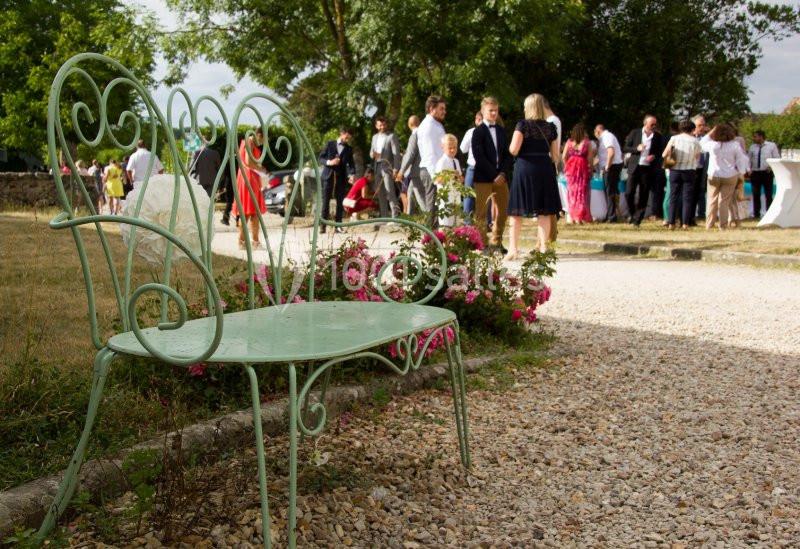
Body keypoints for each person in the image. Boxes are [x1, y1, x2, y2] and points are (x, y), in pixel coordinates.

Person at [507, 93, 560, 258]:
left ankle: (513, 249)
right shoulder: (551, 128)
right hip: (544, 169)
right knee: (544, 210)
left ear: (529, 108)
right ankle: (543, 247)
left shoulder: (522, 125)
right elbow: (556, 156)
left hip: (525, 168)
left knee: (516, 210)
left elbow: (513, 149)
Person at [472, 97, 511, 252]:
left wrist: (502, 173)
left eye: (496, 110)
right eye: (491, 110)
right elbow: (479, 156)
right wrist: (494, 174)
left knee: (504, 210)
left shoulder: (501, 131)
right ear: (483, 111)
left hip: (501, 178)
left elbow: (508, 155)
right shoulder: (478, 132)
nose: (494, 113)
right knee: (481, 212)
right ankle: (482, 244)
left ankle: (496, 241)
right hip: (483, 178)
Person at [701, 123, 749, 230]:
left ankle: (709, 224)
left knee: (711, 200)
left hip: (714, 175)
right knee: (724, 201)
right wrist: (741, 172)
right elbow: (741, 160)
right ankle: (723, 225)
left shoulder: (712, 145)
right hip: (730, 175)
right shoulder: (735, 145)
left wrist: (711, 131)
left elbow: (701, 143)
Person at [623, 115, 666, 227]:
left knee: (644, 194)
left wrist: (654, 156)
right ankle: (632, 214)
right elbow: (625, 148)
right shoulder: (635, 133)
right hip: (634, 166)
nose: (654, 126)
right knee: (629, 193)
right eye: (652, 124)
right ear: (645, 123)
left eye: (655, 124)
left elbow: (660, 152)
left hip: (647, 168)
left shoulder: (657, 136)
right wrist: (636, 149)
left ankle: (638, 219)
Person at [232, 127, 268, 249]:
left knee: (251, 212)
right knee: (249, 212)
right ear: (259, 135)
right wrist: (261, 169)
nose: (263, 142)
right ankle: (246, 242)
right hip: (249, 178)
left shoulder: (246, 142)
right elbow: (248, 162)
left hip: (247, 178)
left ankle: (251, 242)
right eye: (263, 139)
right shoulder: (250, 142)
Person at [662, 119, 701, 229]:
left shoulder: (674, 138)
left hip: (675, 170)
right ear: (692, 129)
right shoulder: (695, 141)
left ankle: (671, 222)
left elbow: (664, 154)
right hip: (689, 170)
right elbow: (697, 156)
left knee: (673, 196)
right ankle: (685, 223)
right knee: (687, 198)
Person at [416, 95, 447, 226]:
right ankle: (429, 237)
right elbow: (430, 155)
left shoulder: (434, 124)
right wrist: (436, 176)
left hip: (436, 171)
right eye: (441, 108)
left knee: (437, 209)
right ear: (431, 109)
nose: (444, 111)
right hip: (431, 172)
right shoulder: (428, 127)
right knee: (432, 209)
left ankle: (434, 236)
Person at [318, 127, 356, 233]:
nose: (348, 139)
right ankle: (323, 226)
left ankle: (338, 226)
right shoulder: (330, 144)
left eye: (349, 138)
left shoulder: (349, 149)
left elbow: (351, 164)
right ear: (342, 133)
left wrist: (352, 175)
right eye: (347, 137)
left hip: (341, 178)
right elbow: (320, 158)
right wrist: (330, 162)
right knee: (325, 201)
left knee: (340, 202)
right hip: (328, 177)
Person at [370, 116, 402, 218]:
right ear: (376, 126)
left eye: (384, 125)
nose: (382, 127)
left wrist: (396, 168)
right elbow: (371, 152)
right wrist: (372, 154)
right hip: (377, 167)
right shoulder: (374, 137)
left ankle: (395, 217)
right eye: (380, 125)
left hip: (388, 167)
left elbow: (396, 154)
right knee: (380, 193)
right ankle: (384, 217)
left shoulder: (391, 136)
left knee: (390, 192)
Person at [562, 123, 594, 224]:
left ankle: (572, 217)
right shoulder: (587, 143)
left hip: (571, 169)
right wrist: (591, 169)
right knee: (581, 193)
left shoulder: (569, 142)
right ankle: (579, 217)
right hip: (582, 168)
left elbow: (564, 156)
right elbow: (590, 159)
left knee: (572, 193)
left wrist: (567, 165)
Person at [747, 129, 780, 218]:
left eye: (755, 137)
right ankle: (756, 214)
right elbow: (748, 159)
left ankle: (769, 214)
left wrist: (771, 167)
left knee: (768, 194)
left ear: (761, 137)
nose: (754, 138)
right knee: (756, 194)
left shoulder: (771, 146)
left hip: (767, 172)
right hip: (755, 173)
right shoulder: (752, 147)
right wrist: (748, 169)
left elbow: (776, 158)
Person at [594, 124, 623, 222]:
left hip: (612, 166)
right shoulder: (607, 136)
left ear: (598, 131)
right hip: (613, 165)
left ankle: (612, 216)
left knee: (610, 191)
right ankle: (610, 214)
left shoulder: (606, 137)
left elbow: (611, 152)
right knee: (610, 191)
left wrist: (607, 166)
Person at [433, 134, 463, 228]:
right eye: (450, 148)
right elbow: (437, 180)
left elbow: (461, 180)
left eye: (455, 147)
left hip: (456, 196)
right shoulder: (441, 162)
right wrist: (450, 175)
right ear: (443, 147)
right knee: (446, 224)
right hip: (446, 198)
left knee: (456, 223)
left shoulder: (456, 161)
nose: (453, 150)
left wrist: (458, 177)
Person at [460, 111, 483, 220]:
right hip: (483, 167)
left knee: (468, 194)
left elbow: (463, 149)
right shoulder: (491, 131)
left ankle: (468, 221)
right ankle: (482, 221)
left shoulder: (471, 132)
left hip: (473, 166)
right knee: (483, 195)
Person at [398, 115, 423, 214]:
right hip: (424, 170)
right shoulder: (424, 134)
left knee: (419, 197)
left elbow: (410, 155)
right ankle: (409, 216)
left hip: (417, 171)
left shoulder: (414, 135)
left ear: (409, 125)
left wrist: (401, 171)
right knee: (410, 193)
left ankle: (429, 218)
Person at [691, 114, 710, 224]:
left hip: (703, 169)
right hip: (691, 169)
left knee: (701, 191)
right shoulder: (689, 138)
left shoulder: (707, 139)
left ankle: (701, 214)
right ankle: (690, 214)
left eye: (703, 125)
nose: (702, 127)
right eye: (699, 125)